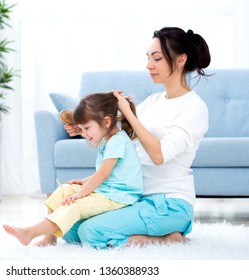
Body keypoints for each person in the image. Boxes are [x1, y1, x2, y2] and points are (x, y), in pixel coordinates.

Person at [59, 27, 211, 248]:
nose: (149, 65)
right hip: (134, 197)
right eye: (148, 58)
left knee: (90, 232)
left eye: (157, 58)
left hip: (168, 204)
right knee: (69, 228)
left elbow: (159, 155)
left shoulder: (193, 107)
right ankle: (157, 235)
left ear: (180, 61)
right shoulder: (153, 102)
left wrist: (129, 113)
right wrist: (83, 128)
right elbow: (119, 141)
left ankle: (165, 239)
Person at [3, 92, 143, 246]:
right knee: (64, 190)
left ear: (107, 121)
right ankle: (50, 238)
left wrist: (80, 195)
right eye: (82, 129)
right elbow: (112, 173)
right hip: (109, 191)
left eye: (87, 128)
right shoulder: (107, 140)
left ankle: (29, 233)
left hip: (119, 197)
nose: (84, 134)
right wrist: (84, 182)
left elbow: (103, 174)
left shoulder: (118, 141)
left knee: (75, 205)